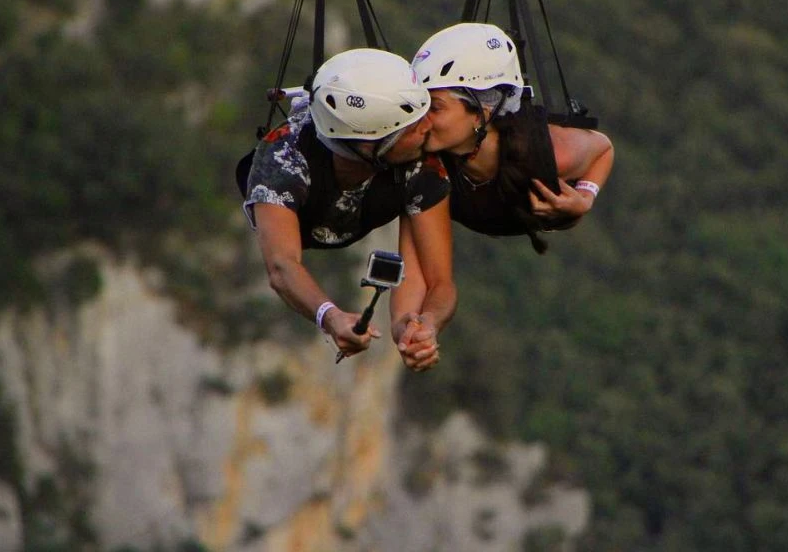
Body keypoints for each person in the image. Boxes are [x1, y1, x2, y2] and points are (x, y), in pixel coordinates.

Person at [242, 48, 455, 370]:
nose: (429, 128)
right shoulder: (283, 161)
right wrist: (331, 316)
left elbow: (436, 278)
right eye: (413, 127)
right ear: (374, 144)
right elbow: (282, 265)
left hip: (362, 203)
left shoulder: (421, 165)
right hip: (306, 210)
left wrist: (420, 326)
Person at [412, 23, 614, 253]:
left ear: (480, 114)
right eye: (420, 105)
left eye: (435, 108)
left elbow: (603, 148)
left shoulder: (547, 154)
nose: (420, 118)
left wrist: (585, 198)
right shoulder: (415, 154)